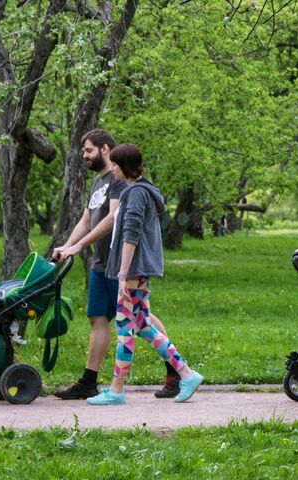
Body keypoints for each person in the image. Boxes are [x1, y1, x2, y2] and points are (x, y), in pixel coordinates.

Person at [53, 129, 181, 400]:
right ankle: (89, 381)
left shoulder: (120, 180)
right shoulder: (97, 182)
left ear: (105, 149)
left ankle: (175, 371)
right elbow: (87, 219)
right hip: (101, 263)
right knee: (98, 318)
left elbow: (113, 219)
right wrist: (68, 245)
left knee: (141, 319)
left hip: (121, 261)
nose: (84, 155)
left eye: (88, 150)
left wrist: (80, 246)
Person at [86, 143, 203, 405]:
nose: (112, 168)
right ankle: (187, 373)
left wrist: (122, 274)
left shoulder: (136, 193)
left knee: (125, 329)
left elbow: (131, 233)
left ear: (124, 166)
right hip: (136, 270)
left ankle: (117, 390)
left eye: (115, 164)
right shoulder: (138, 191)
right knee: (143, 326)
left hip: (133, 270)